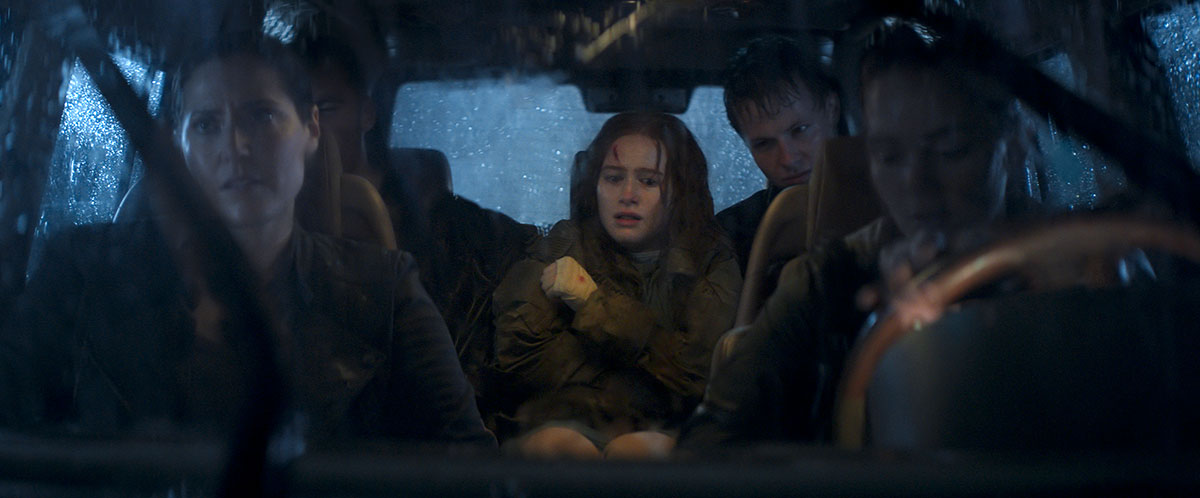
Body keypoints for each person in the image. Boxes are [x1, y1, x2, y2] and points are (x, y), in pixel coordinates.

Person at [0, 36, 495, 449]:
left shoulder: (385, 289)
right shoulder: (82, 271)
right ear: (180, 147)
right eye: (207, 125)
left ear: (311, 129)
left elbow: (467, 462)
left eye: (262, 116)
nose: (235, 147)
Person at [677, 21, 1043, 449]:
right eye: (889, 156)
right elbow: (712, 434)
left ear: (1015, 146)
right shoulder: (826, 281)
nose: (915, 185)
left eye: (950, 150)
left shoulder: (1086, 259)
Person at [296, 34, 540, 425]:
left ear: (367, 114)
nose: (311, 128)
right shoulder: (268, 237)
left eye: (326, 108)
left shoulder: (463, 234)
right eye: (292, 112)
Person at [491, 112, 742, 459]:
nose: (627, 195)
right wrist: (646, 372)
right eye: (612, 178)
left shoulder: (710, 258)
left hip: (672, 430)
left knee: (639, 452)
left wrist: (592, 304)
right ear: (594, 185)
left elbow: (695, 376)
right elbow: (519, 358)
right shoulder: (564, 244)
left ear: (682, 191)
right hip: (565, 420)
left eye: (649, 181)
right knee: (558, 446)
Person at [716, 35, 843, 271]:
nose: (788, 159)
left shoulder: (895, 205)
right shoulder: (730, 236)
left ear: (832, 109)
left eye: (800, 130)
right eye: (764, 144)